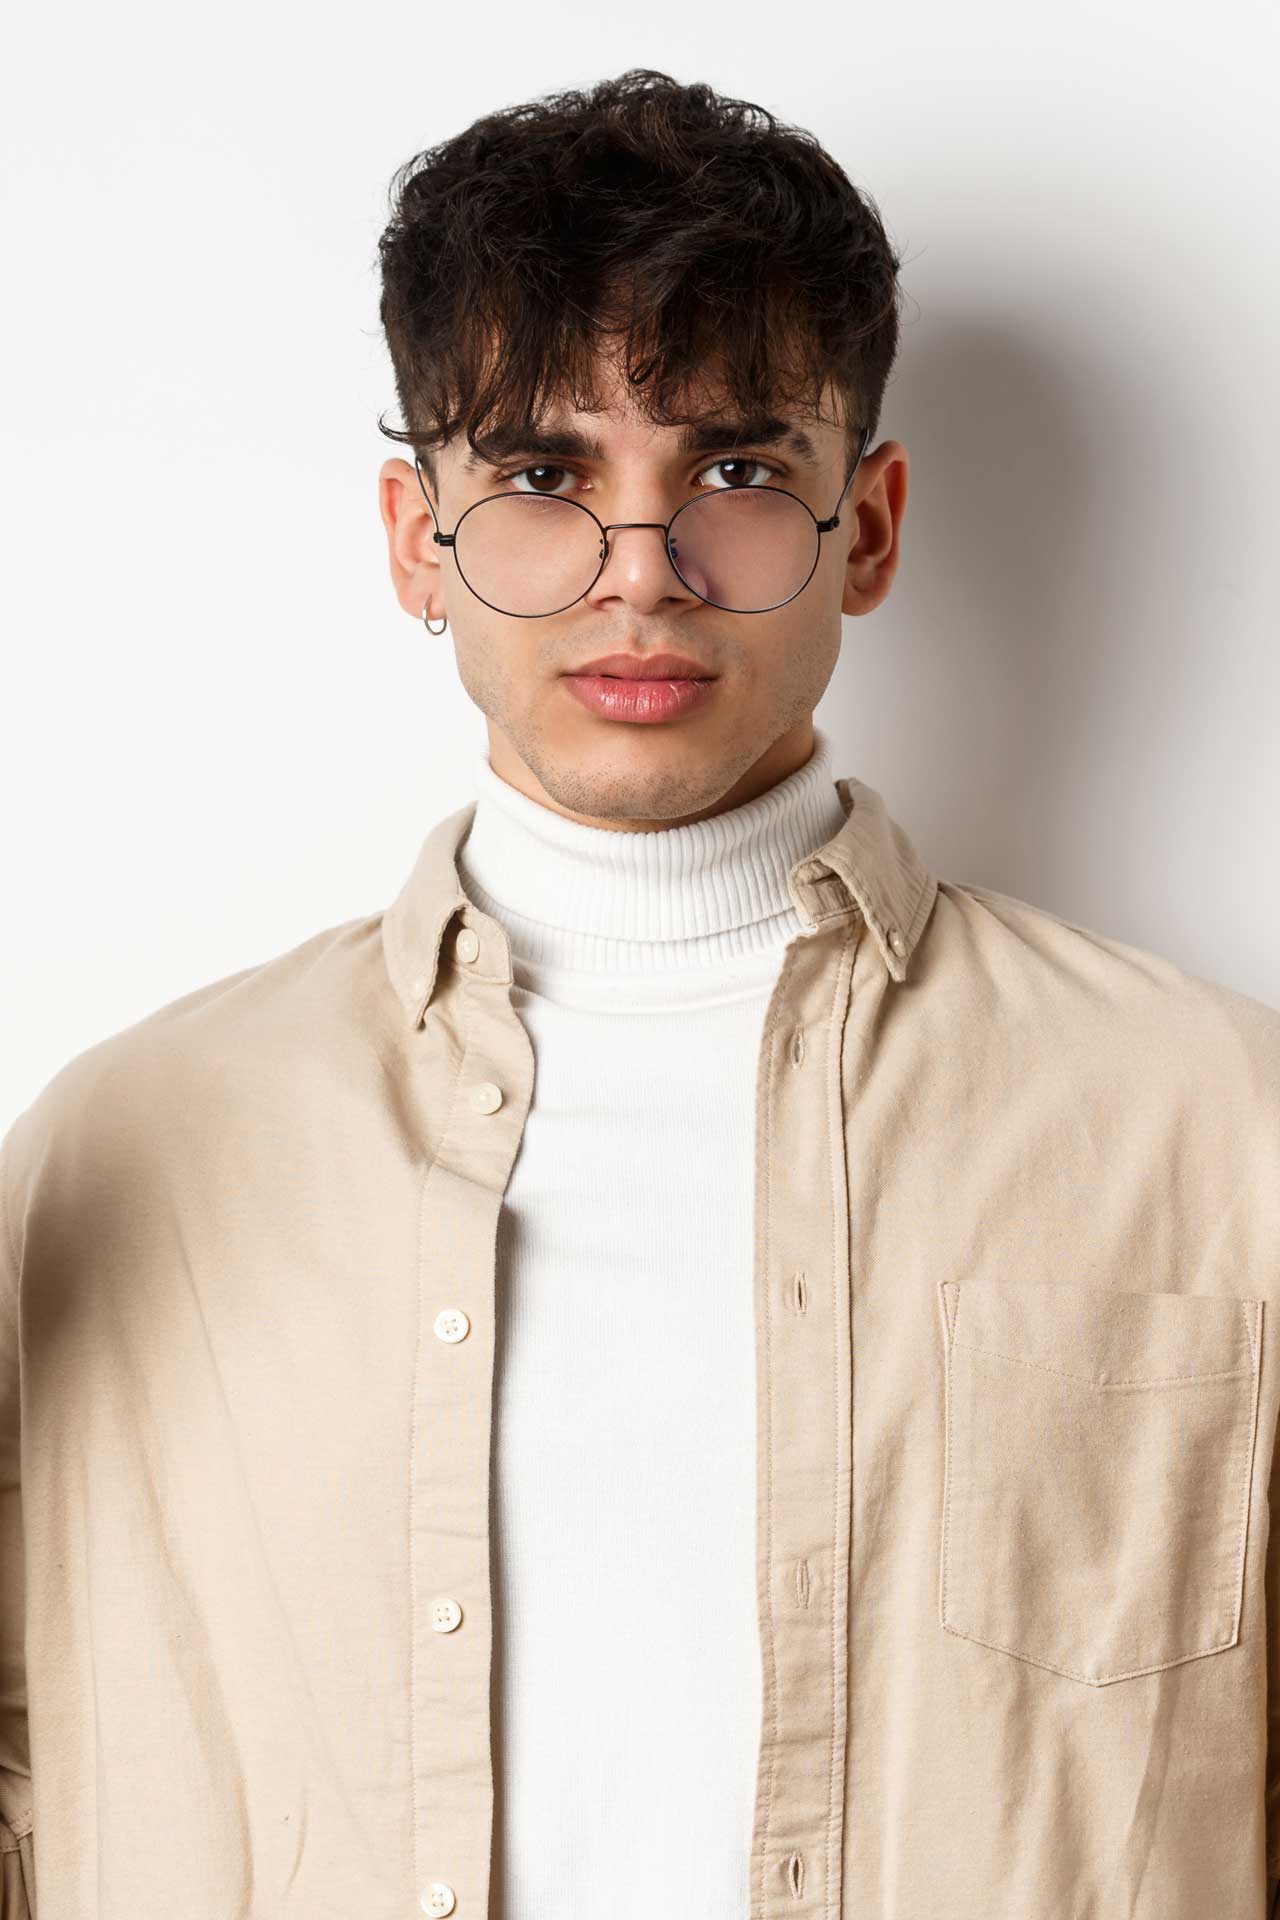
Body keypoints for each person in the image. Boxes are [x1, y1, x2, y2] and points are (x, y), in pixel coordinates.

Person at [2, 66, 1278, 1920]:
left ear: (870, 526)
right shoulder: (126, 1157)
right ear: (414, 538)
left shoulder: (1214, 1133)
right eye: (541, 479)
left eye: (738, 475)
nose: (641, 579)